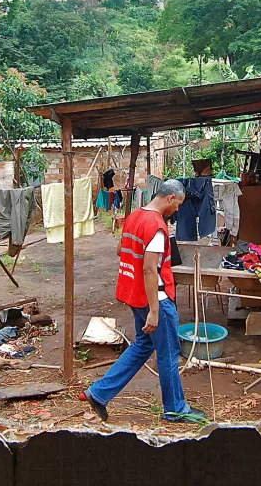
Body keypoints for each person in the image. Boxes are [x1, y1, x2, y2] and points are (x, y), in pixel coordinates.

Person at [79, 179, 205, 423]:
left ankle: (99, 393)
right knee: (168, 354)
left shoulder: (134, 217)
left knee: (143, 345)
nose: (177, 209)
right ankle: (175, 408)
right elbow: (149, 269)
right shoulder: (156, 226)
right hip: (154, 299)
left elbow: (121, 250)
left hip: (134, 294)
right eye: (178, 204)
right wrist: (155, 311)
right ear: (170, 198)